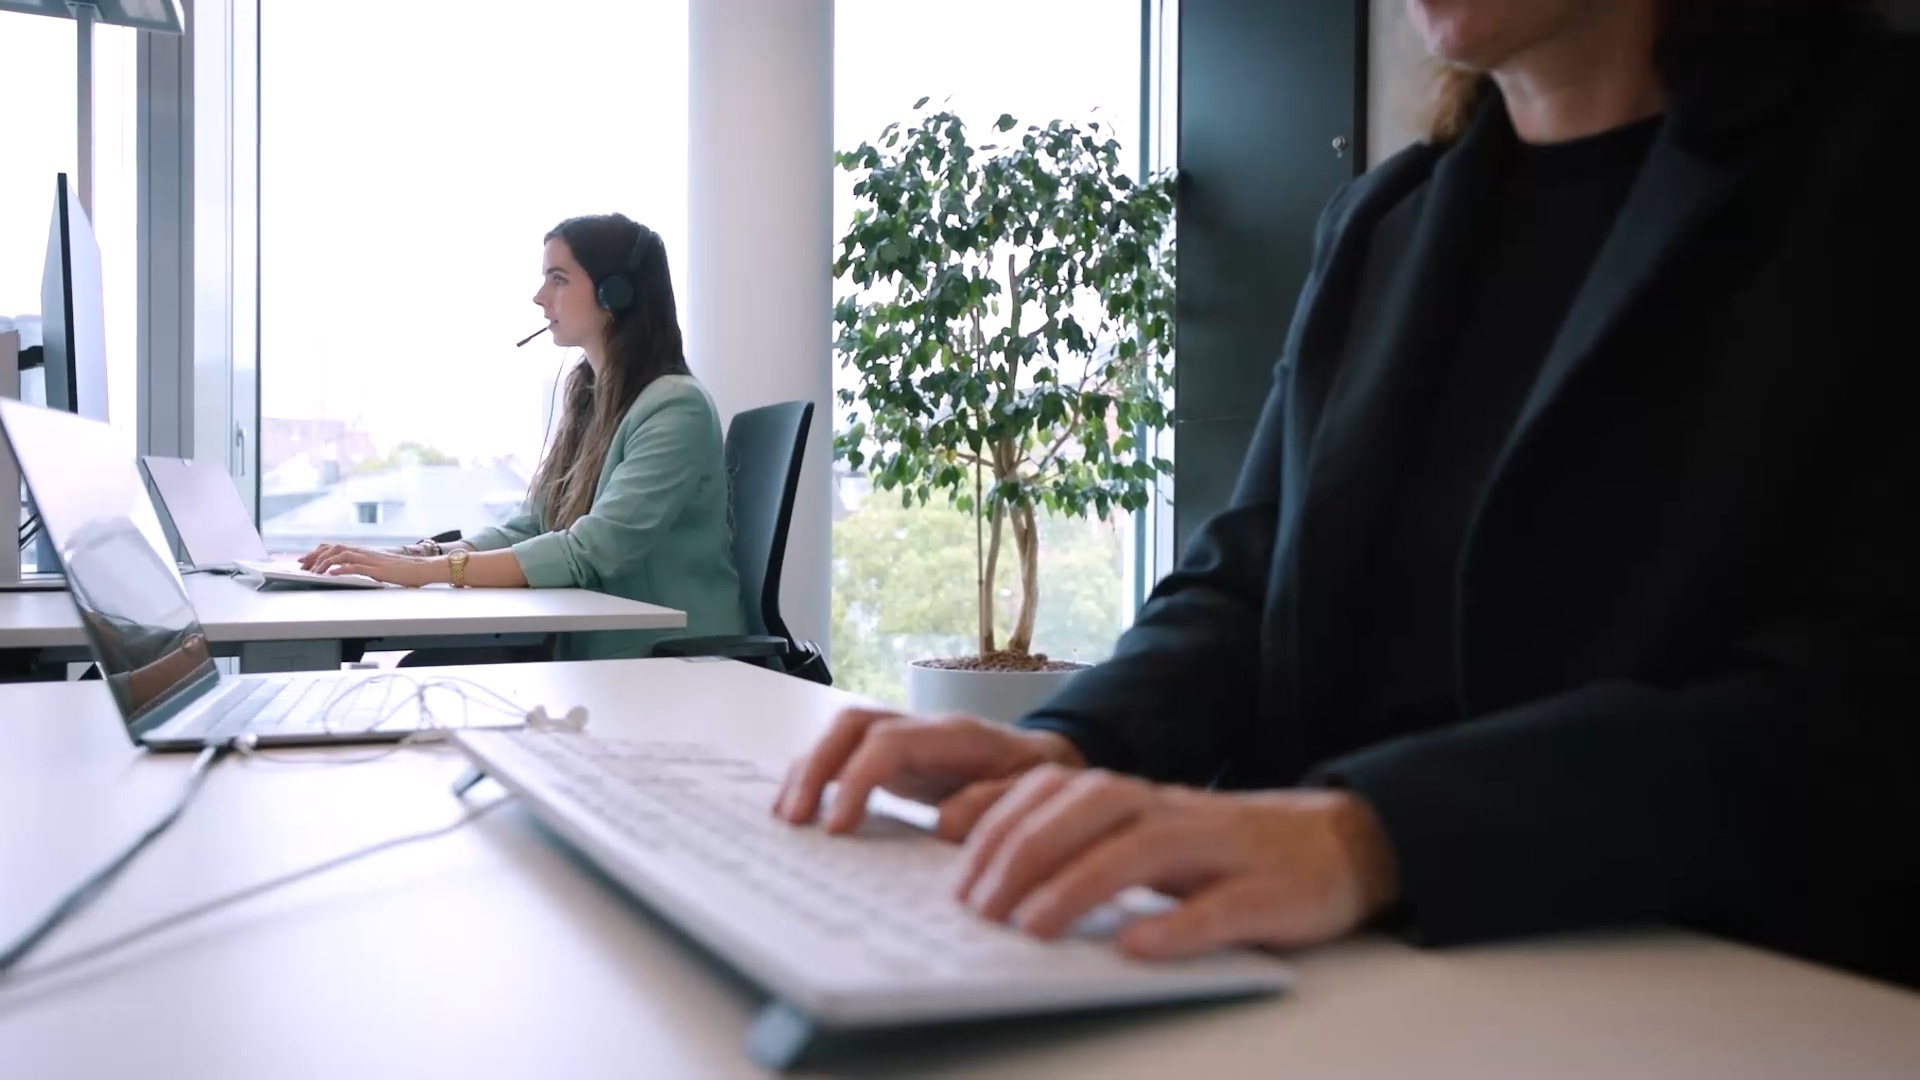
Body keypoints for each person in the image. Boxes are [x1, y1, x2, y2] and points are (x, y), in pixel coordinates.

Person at [775, 0, 1920, 988]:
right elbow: (1242, 585)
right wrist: (1074, 741)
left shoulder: (1872, 167)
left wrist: (1378, 836)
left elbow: (1861, 709)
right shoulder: (1386, 222)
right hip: (1340, 986)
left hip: (1702, 991)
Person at [300, 214, 748, 662]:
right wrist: (412, 556)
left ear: (614, 294)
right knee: (432, 663)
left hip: (671, 657)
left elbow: (591, 552)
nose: (539, 297)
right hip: (599, 650)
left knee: (434, 667)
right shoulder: (590, 395)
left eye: (558, 279)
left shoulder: (675, 407)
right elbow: (531, 527)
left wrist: (426, 572)